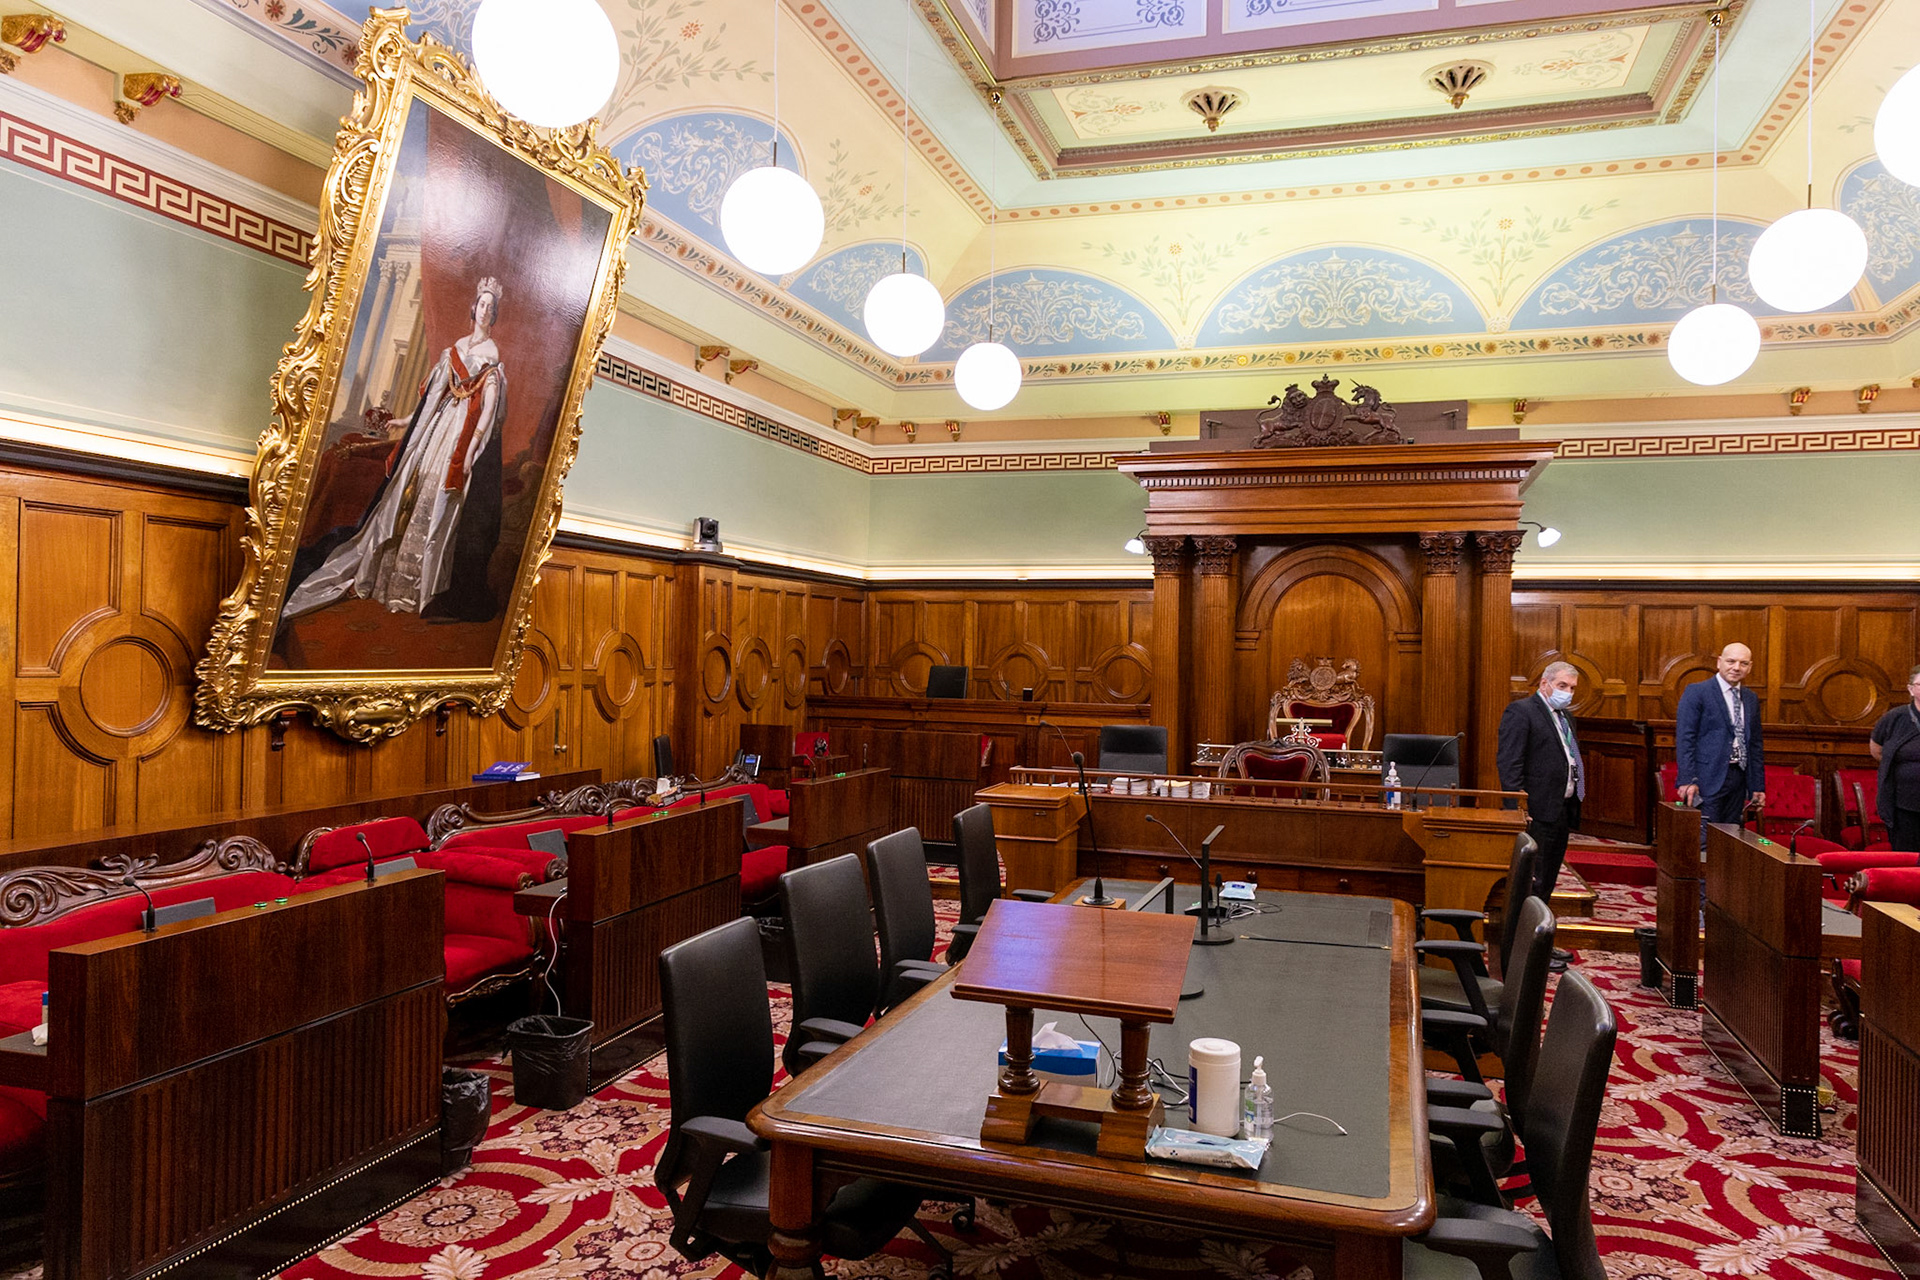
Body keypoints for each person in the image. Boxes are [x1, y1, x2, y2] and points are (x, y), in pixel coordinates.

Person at [282, 276, 509, 622]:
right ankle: (389, 576)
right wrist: (404, 421)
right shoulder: (457, 348)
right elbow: (433, 397)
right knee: (411, 490)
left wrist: (471, 450)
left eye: (491, 307)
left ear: (494, 314)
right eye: (482, 304)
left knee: (436, 500)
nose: (485, 310)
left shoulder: (492, 357)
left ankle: (418, 588)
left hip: (459, 434)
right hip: (436, 428)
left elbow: (489, 410)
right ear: (474, 307)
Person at [1497, 661, 1583, 967]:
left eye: (1572, 688)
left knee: (1547, 882)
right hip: (1535, 813)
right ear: (1544, 684)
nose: (1567, 693)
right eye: (1562, 686)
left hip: (1561, 810)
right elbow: (1509, 765)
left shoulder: (1566, 717)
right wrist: (1517, 810)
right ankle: (1523, 951)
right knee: (1531, 884)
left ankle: (1540, 942)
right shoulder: (1522, 712)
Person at [1675, 642, 1766, 832]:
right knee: (1704, 838)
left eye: (1743, 663)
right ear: (1719, 662)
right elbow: (1685, 739)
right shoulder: (1697, 692)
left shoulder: (1751, 698)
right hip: (1706, 779)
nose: (1736, 667)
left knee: (1730, 837)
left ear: (1749, 667)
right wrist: (1688, 780)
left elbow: (1755, 745)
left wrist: (1757, 786)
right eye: (1731, 661)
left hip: (1738, 779)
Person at [1870, 665, 1920, 851]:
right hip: (1903, 804)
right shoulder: (1894, 718)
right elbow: (1877, 751)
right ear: (1910, 689)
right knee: (1906, 855)